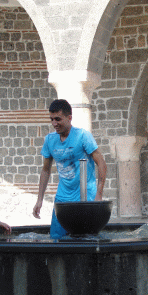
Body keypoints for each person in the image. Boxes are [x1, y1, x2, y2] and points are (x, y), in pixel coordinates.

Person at [32, 99, 107, 238]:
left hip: (85, 195)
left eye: (58, 119)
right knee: (57, 238)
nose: (54, 123)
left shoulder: (83, 136)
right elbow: (45, 170)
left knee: (85, 238)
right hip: (62, 196)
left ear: (69, 117)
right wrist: (39, 199)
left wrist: (99, 194)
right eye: (52, 119)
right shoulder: (50, 140)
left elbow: (101, 163)